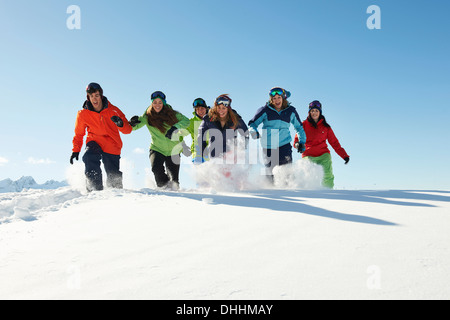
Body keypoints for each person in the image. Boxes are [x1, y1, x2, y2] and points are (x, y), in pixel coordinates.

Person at [70, 82, 133, 191]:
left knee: (113, 175)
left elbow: (128, 130)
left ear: (101, 96)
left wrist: (121, 124)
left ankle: (117, 193)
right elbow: (79, 133)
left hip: (112, 144)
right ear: (88, 97)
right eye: (91, 96)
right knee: (89, 157)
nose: (94, 99)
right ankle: (94, 189)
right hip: (94, 142)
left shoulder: (113, 110)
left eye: (97, 96)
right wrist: (76, 150)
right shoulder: (83, 114)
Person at [129, 91, 189, 190]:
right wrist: (131, 123)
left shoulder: (173, 114)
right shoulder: (147, 116)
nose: (157, 105)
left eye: (160, 102)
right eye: (155, 102)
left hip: (173, 150)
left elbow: (186, 121)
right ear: (152, 103)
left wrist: (175, 127)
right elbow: (135, 127)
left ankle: (174, 199)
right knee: (157, 170)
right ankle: (163, 191)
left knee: (174, 183)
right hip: (157, 149)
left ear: (164, 103)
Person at [248, 87, 306, 182]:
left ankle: (289, 190)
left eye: (279, 97)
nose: (277, 100)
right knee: (271, 173)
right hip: (269, 146)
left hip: (284, 145)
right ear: (271, 99)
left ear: (283, 98)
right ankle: (270, 190)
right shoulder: (265, 110)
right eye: (274, 98)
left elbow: (299, 127)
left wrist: (302, 141)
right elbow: (252, 124)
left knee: (286, 172)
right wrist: (254, 131)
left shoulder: (290, 111)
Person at [293, 100, 349, 189]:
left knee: (327, 175)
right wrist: (298, 145)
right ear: (309, 113)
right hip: (308, 154)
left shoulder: (326, 127)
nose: (314, 113)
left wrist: (344, 155)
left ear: (320, 112)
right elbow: (296, 140)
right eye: (312, 111)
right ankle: (308, 193)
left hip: (323, 155)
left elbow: (334, 143)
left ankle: (328, 193)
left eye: (316, 111)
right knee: (308, 176)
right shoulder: (303, 125)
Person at [196, 94, 248, 162]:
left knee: (230, 171)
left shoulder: (235, 119)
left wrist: (240, 148)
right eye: (219, 108)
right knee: (216, 172)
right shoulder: (209, 118)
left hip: (231, 155)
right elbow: (201, 134)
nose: (221, 111)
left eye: (223, 108)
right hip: (214, 156)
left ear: (228, 109)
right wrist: (203, 150)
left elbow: (245, 133)